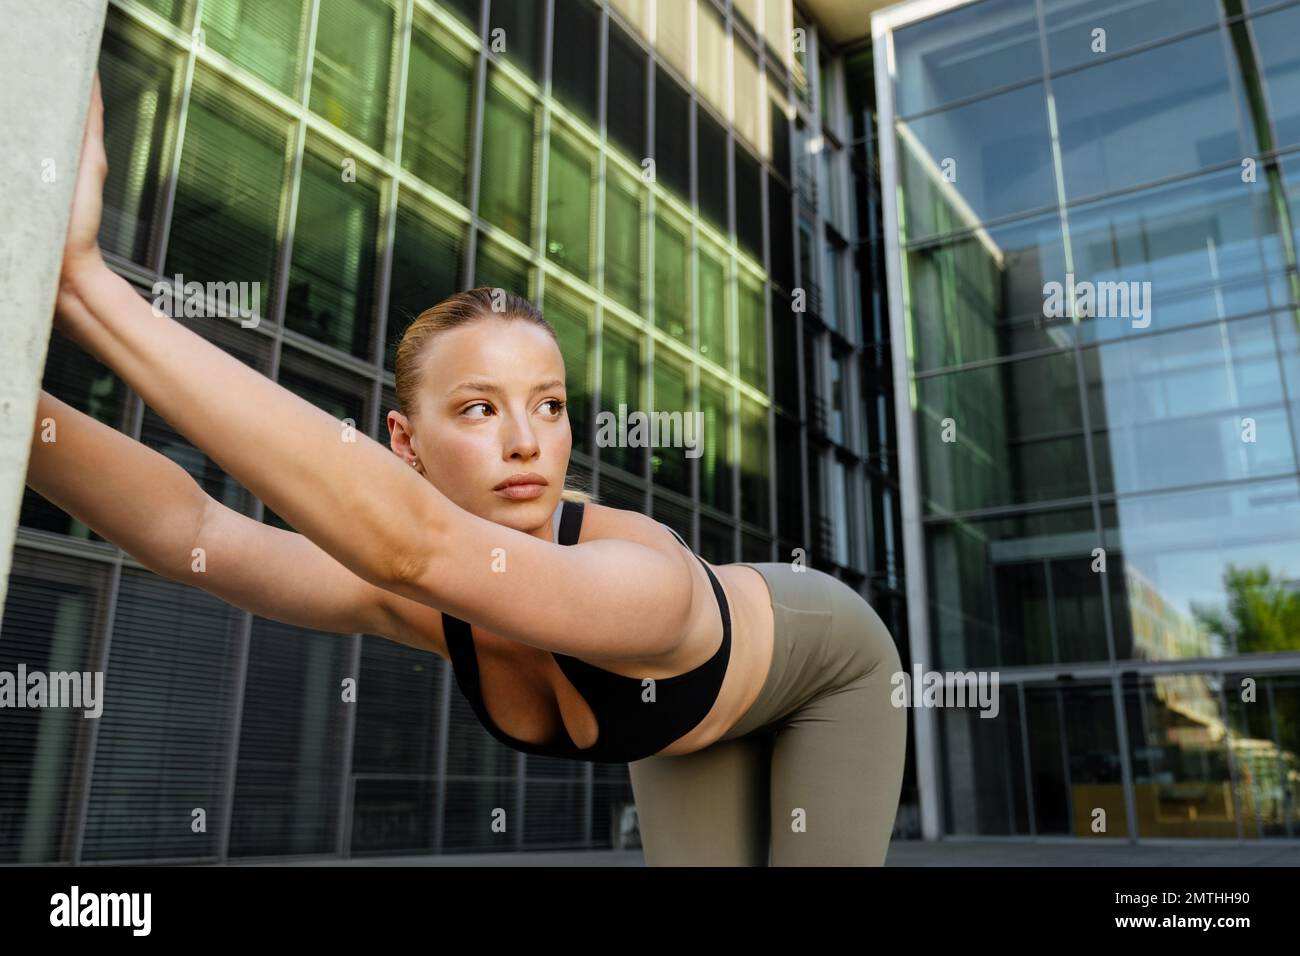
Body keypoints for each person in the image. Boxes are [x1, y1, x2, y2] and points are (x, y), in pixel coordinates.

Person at [32, 72, 907, 865]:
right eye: (480, 408)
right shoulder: (411, 591)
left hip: (825, 667)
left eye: (550, 405)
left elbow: (414, 545)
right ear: (405, 443)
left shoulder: (643, 581)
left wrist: (86, 291)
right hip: (687, 733)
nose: (527, 442)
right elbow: (192, 530)